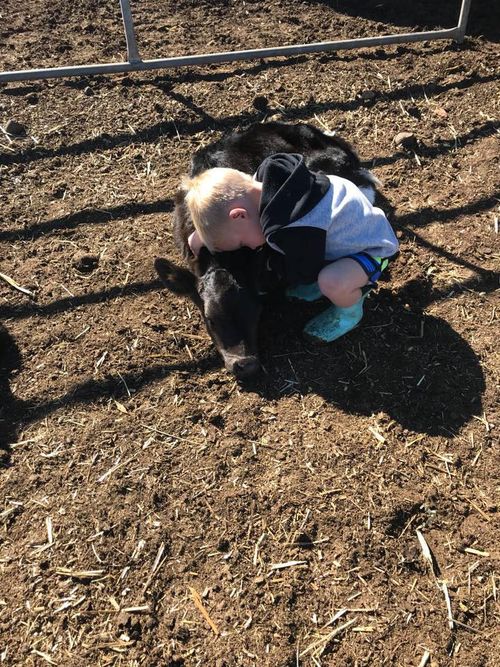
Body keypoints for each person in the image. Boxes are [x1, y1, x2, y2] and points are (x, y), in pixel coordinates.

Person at [184, 153, 399, 342]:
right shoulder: (272, 179)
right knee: (319, 272)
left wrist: (272, 267)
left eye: (242, 242)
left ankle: (349, 311)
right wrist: (206, 234)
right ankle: (334, 280)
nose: (248, 247)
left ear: (239, 215)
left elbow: (302, 270)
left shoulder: (295, 228)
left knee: (331, 282)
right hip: (353, 229)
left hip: (371, 250)